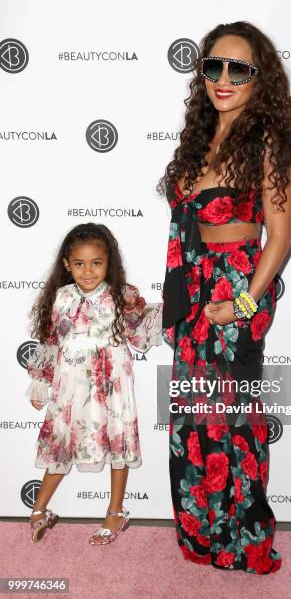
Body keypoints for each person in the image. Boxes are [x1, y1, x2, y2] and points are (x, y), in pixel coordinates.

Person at [159, 21, 291, 574]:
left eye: (238, 69)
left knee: (234, 423)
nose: (223, 79)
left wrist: (244, 304)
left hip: (234, 296)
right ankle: (202, 536)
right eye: (213, 66)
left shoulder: (268, 140)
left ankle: (243, 540)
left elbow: (282, 236)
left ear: (258, 78)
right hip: (194, 296)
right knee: (195, 422)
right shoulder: (201, 138)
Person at [26, 223, 162, 545]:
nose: (88, 271)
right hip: (70, 387)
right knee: (61, 445)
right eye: (80, 264)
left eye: (96, 263)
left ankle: (115, 512)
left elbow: (141, 330)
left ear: (108, 263)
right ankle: (41, 509)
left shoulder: (121, 296)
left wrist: (171, 309)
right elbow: (51, 343)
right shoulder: (60, 298)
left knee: (118, 446)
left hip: (111, 385)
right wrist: (40, 384)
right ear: (67, 265)